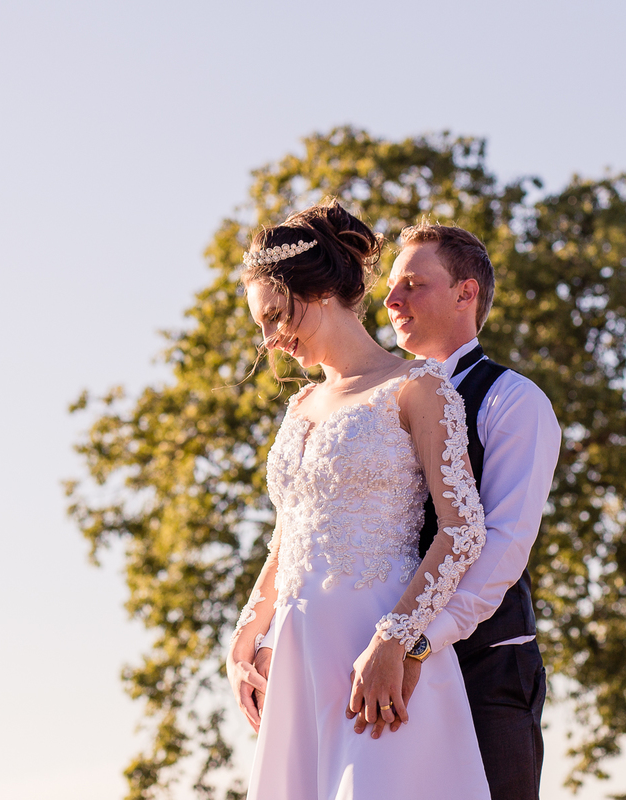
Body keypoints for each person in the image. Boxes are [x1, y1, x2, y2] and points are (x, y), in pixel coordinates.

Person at [252, 223, 562, 800]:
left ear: (466, 293)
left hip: (482, 669)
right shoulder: (358, 395)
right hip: (352, 652)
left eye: (413, 284)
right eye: (390, 284)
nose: (391, 299)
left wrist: (415, 641)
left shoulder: (513, 401)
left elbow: (500, 546)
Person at [225, 200, 494, 799]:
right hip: (299, 653)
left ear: (320, 292)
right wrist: (247, 634)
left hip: (375, 645)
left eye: (275, 316)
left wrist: (396, 640)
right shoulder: (300, 406)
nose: (269, 341)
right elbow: (290, 534)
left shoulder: (417, 388)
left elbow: (462, 531)